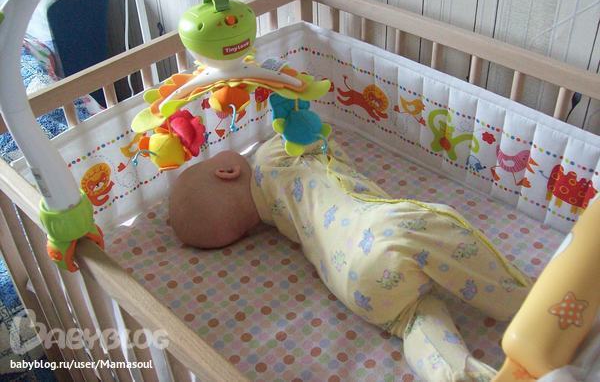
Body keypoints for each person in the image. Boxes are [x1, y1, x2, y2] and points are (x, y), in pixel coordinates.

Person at [169, 135, 532, 381]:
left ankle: (459, 374)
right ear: (226, 171)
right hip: (375, 233)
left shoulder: (276, 219)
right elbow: (320, 139)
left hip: (351, 284)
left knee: (414, 319)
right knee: (440, 228)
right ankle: (528, 304)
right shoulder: (270, 156)